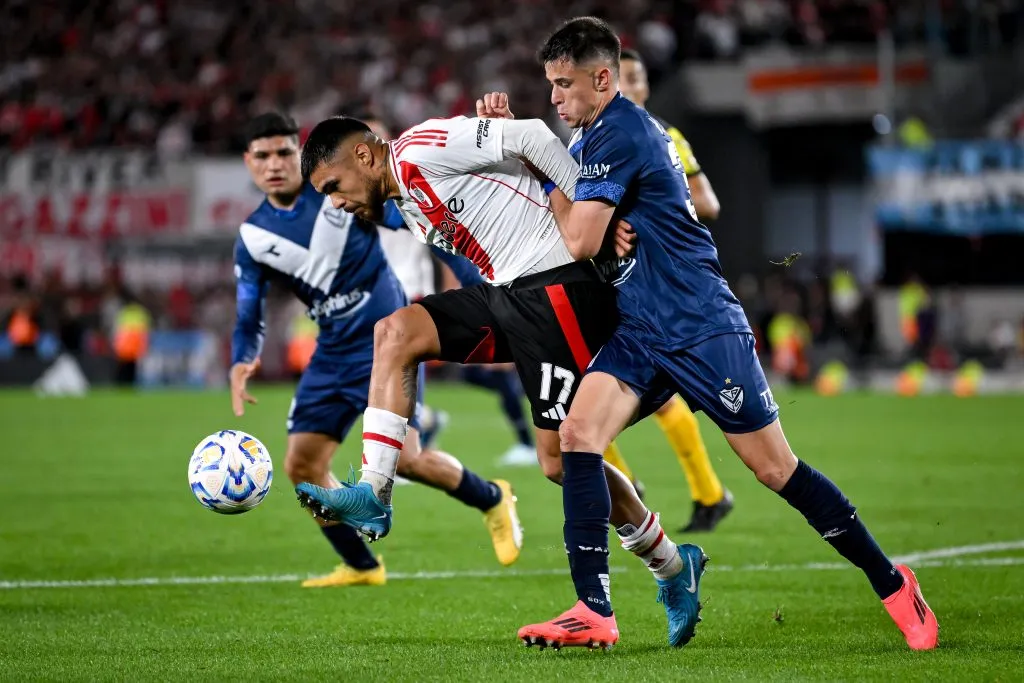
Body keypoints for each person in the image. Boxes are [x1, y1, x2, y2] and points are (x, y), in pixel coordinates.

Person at [512, 16, 938, 651]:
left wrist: (563, 199)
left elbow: (575, 237)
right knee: (577, 435)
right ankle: (592, 610)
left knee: (775, 470)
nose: (554, 99)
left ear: (601, 78)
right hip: (642, 327)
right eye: (550, 85)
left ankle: (893, 582)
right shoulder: (595, 135)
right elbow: (589, 234)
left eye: (563, 84)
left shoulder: (619, 132)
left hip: (701, 325)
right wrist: (596, 223)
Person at [295, 111, 698, 649]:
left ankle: (669, 568)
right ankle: (374, 492)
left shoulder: (420, 148)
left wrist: (588, 214)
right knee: (396, 333)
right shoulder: (407, 202)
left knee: (561, 461)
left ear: (364, 156)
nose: (336, 202)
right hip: (509, 294)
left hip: (557, 291)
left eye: (334, 187)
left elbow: (530, 135)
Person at [230, 112, 522, 588]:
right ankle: (362, 566)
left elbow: (428, 226)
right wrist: (243, 356)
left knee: (406, 459)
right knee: (301, 466)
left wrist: (482, 290)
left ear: (298, 151)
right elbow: (248, 308)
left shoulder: (339, 193)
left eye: (284, 151)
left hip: (388, 346)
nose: (275, 164)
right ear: (248, 163)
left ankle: (491, 497)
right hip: (330, 353)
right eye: (262, 156)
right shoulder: (254, 236)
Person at [360, 113, 536, 465]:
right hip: (406, 293)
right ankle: (415, 432)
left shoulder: (410, 184)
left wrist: (472, 285)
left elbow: (445, 247)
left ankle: (411, 442)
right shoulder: (381, 195)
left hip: (424, 290)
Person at [608, 47, 734, 532]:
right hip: (620, 278)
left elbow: (708, 202)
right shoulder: (600, 138)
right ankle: (678, 489)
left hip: (659, 281)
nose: (631, 88)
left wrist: (649, 215)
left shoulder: (662, 135)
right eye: (622, 79)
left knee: (643, 390)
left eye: (637, 79)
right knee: (591, 385)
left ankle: (652, 488)